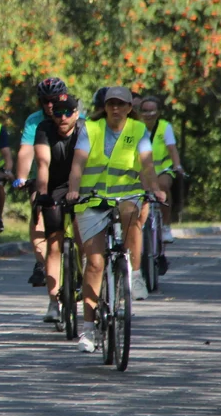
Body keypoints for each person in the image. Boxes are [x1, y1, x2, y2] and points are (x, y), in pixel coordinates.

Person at [66, 87, 167, 353]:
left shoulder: (137, 130)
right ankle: (88, 329)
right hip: (92, 198)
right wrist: (73, 189)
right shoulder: (91, 129)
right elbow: (78, 163)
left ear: (128, 108)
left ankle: (134, 274)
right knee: (96, 263)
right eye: (111, 104)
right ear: (105, 106)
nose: (116, 109)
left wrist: (154, 188)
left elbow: (146, 164)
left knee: (132, 216)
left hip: (125, 195)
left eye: (121, 104)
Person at [32, 96, 85, 322]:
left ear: (76, 113)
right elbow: (43, 163)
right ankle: (53, 303)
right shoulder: (44, 129)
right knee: (54, 244)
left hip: (81, 185)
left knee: (83, 236)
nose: (62, 117)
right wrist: (42, 193)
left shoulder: (85, 129)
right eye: (57, 112)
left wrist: (76, 191)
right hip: (53, 186)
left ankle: (84, 278)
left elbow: (79, 165)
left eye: (68, 112)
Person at [13, 77, 69, 287]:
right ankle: (41, 261)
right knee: (38, 208)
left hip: (71, 176)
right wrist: (21, 177)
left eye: (53, 100)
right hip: (42, 177)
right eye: (44, 101)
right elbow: (26, 150)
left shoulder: (77, 116)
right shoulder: (34, 120)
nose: (49, 105)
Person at [139, 96, 183, 243]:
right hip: (142, 171)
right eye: (145, 111)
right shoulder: (135, 127)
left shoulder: (165, 127)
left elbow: (172, 149)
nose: (148, 114)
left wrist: (177, 165)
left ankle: (165, 225)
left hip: (163, 169)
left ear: (158, 112)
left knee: (163, 186)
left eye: (152, 111)